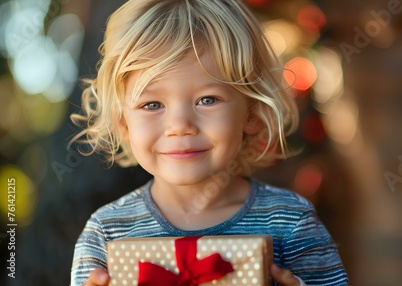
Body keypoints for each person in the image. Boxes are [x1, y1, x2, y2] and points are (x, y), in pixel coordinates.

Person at [70, 0, 348, 285]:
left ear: (251, 113)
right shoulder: (106, 233)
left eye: (207, 100)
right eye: (152, 104)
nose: (180, 126)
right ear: (123, 123)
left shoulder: (291, 222)